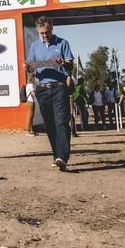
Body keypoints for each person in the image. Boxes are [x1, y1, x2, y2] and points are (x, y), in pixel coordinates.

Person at [24, 16, 75, 171]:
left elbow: (70, 64)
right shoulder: (34, 46)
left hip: (59, 87)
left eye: (47, 32)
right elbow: (31, 68)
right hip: (42, 89)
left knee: (61, 122)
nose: (45, 35)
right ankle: (56, 155)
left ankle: (62, 157)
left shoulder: (63, 43)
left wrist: (64, 63)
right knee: (50, 125)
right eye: (42, 33)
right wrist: (28, 67)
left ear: (52, 28)